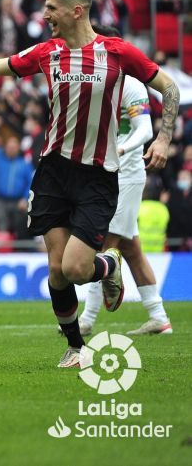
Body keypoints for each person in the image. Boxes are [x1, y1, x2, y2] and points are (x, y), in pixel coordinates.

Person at [0, 0, 179, 367]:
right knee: (56, 270)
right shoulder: (48, 52)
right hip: (52, 172)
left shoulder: (117, 52)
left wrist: (164, 139)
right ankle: (77, 347)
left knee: (77, 268)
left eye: (51, 8)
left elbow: (169, 89)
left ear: (75, 10)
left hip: (98, 175)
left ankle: (108, 265)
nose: (44, 15)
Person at [78, 24, 172, 336]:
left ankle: (86, 320)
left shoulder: (130, 84)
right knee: (131, 249)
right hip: (100, 172)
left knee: (100, 245)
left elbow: (144, 130)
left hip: (127, 174)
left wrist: (122, 146)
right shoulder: (91, 82)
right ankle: (158, 317)